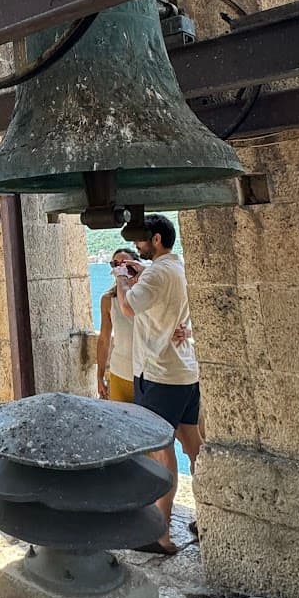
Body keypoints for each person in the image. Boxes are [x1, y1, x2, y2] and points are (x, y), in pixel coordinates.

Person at [116, 213, 201, 556]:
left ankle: (161, 535)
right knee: (195, 447)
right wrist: (140, 273)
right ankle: (211, 515)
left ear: (155, 240)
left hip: (160, 374)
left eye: (140, 239)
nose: (136, 245)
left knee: (160, 451)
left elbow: (128, 307)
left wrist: (123, 277)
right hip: (184, 372)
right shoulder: (177, 269)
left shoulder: (157, 273)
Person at [96, 247, 139, 402]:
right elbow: (104, 339)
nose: (120, 268)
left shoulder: (147, 295)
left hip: (148, 374)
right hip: (120, 371)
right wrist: (100, 375)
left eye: (125, 264)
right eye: (115, 264)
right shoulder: (108, 301)